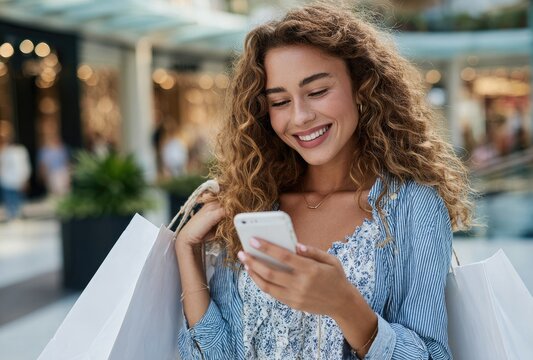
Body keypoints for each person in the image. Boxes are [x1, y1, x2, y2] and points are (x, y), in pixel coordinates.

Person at [175, 3, 473, 359]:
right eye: (281, 101)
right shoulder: (253, 202)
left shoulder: (413, 206)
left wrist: (345, 305)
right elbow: (222, 354)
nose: (300, 116)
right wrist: (187, 254)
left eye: (317, 92)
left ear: (362, 86)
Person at [0, 120, 31, 220]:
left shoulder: (20, 150)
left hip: (17, 180)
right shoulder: (4, 150)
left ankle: (17, 217)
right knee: (10, 202)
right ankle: (12, 216)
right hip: (6, 181)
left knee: (18, 201)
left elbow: (24, 166)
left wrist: (25, 178)